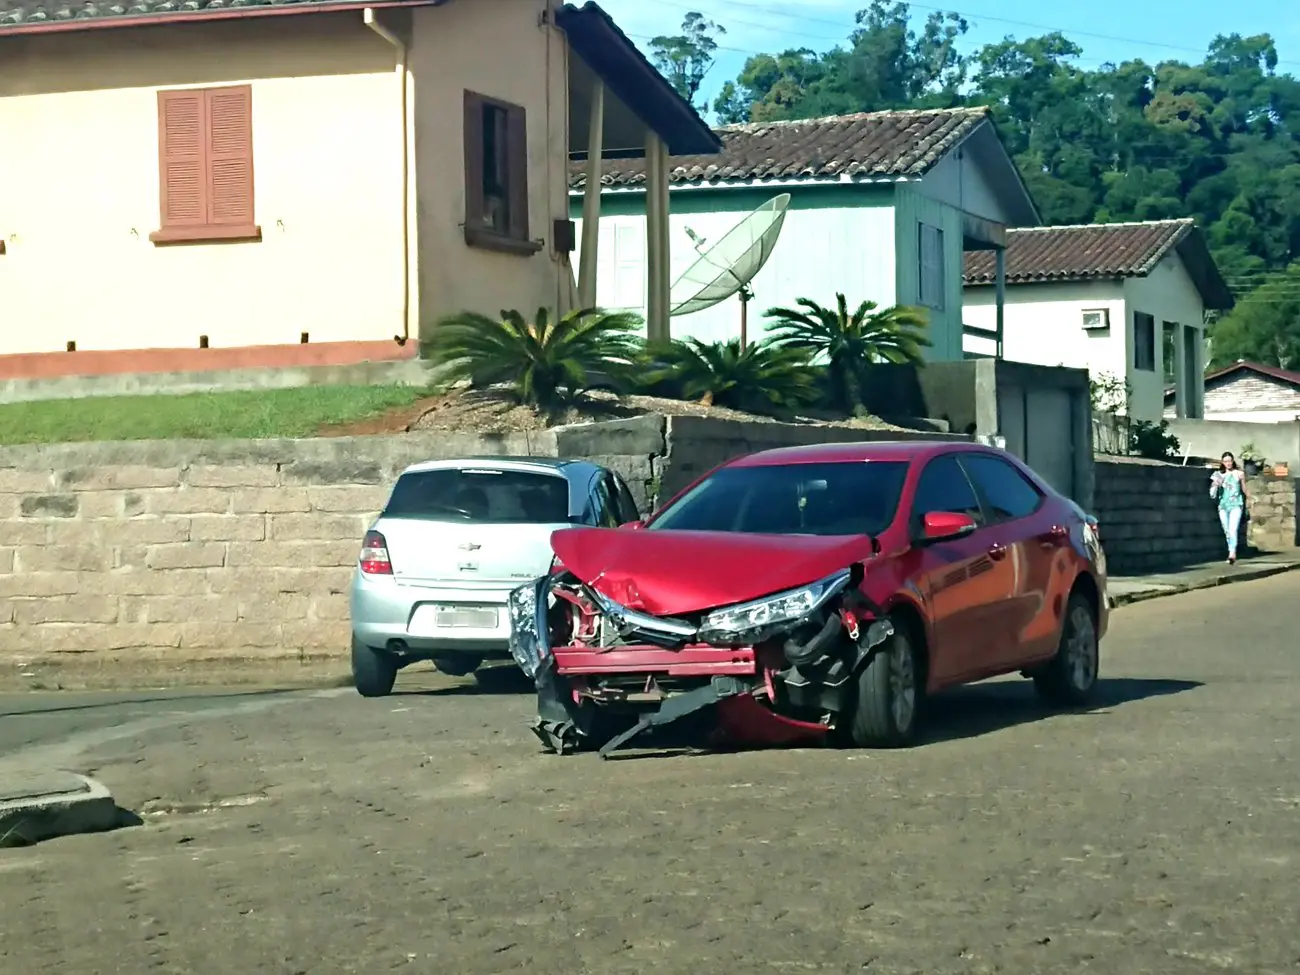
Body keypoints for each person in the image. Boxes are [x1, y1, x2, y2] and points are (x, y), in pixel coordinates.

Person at [1210, 451, 1248, 564]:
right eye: (1226, 461)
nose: (1228, 463)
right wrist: (1215, 485)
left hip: (1236, 504)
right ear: (1223, 462)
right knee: (1227, 530)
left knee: (1233, 529)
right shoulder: (1218, 475)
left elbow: (1244, 489)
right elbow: (1212, 493)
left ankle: (1232, 553)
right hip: (1223, 505)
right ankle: (1230, 550)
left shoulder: (1239, 474)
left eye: (1230, 461)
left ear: (1233, 461)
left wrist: (1251, 498)